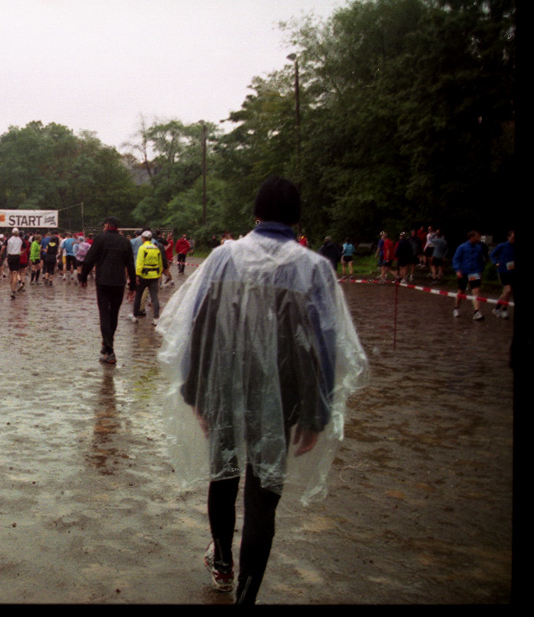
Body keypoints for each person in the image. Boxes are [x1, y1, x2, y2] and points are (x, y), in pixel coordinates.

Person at [156, 176, 368, 604]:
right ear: (297, 218)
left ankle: (222, 565)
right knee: (263, 496)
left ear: (255, 214)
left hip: (225, 386)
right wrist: (316, 413)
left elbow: (197, 326)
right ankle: (247, 596)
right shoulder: (315, 269)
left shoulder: (221, 258)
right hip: (283, 397)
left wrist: (197, 392)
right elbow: (326, 346)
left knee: (223, 476)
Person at [78, 216, 136, 365]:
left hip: (103, 282)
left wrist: (83, 277)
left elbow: (89, 260)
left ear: (108, 225)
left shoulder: (100, 239)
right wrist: (132, 286)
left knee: (104, 314)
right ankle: (107, 345)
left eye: (104, 225)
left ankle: (109, 350)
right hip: (118, 282)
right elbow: (130, 264)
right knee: (114, 314)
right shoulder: (125, 242)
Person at [131, 231, 167, 326]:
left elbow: (140, 263)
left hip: (143, 276)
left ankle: (135, 316)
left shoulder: (142, 248)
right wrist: (159, 274)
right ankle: (156, 317)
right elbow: (160, 263)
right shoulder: (156, 248)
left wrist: (137, 275)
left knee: (138, 295)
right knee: (154, 297)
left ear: (143, 238)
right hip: (154, 276)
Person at [452, 230, 488, 320]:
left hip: (474, 272)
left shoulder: (479, 248)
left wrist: (480, 271)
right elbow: (456, 259)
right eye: (477, 237)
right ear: (471, 237)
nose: (478, 239)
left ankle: (477, 311)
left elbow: (480, 260)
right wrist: (457, 270)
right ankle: (456, 308)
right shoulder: (462, 247)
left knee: (476, 291)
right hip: (463, 272)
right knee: (461, 291)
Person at [490, 231, 514, 319]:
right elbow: (492, 255)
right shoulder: (502, 246)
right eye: (513, 238)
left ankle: (497, 308)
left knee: (506, 292)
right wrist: (496, 262)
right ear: (508, 237)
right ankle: (504, 309)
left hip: (512, 272)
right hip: (503, 271)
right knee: (507, 290)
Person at [6, 227, 25, 299]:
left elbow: (4, 247)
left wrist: (1, 255)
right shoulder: (20, 240)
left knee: (11, 273)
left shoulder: (9, 239)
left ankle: (12, 289)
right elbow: (25, 247)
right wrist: (22, 252)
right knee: (15, 273)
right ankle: (14, 289)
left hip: (10, 256)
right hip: (17, 256)